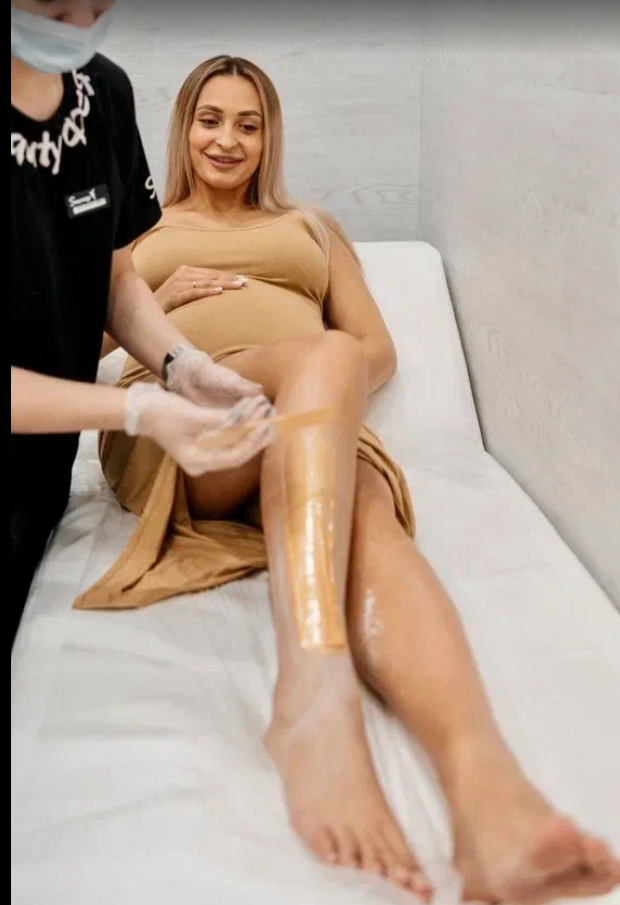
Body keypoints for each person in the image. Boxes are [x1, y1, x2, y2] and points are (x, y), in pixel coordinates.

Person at [75, 56, 620, 902]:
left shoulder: (312, 226)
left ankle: (490, 798)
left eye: (249, 124)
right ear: (183, 128)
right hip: (186, 421)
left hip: (303, 417)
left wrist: (315, 400)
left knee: (365, 504)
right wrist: (164, 296)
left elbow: (378, 349)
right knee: (325, 356)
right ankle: (313, 691)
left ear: (271, 137)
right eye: (210, 119)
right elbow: (76, 350)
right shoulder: (140, 231)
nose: (227, 140)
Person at [10, 2, 273, 643]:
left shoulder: (103, 93)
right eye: (55, 7)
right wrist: (138, 411)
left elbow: (114, 274)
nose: (81, 21)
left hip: (41, 477)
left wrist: (182, 364)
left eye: (97, 4)